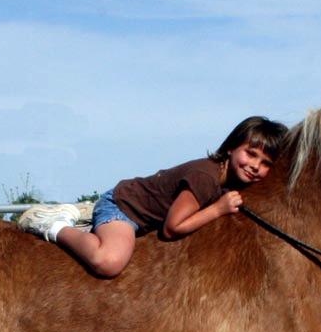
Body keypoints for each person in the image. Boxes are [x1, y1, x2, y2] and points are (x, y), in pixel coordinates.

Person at [16, 116, 288, 277]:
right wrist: (218, 209)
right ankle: (55, 225)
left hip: (142, 213)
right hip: (124, 208)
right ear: (230, 148)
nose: (255, 166)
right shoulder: (205, 178)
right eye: (250, 154)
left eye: (265, 163)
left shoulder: (227, 181)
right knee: (109, 261)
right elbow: (172, 228)